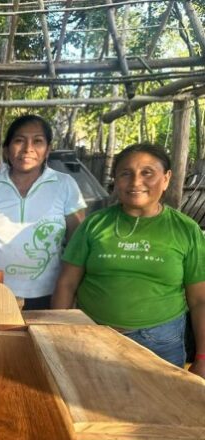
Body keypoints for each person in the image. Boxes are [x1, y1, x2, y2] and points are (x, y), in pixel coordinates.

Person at [52, 143, 205, 376]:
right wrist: (57, 338)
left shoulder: (186, 230)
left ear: (166, 179)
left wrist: (202, 357)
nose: (135, 182)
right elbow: (67, 284)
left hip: (159, 343)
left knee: (158, 399)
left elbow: (200, 300)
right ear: (115, 180)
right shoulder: (94, 224)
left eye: (147, 173)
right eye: (126, 173)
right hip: (93, 337)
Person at [0, 114, 86, 310]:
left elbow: (78, 245)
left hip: (48, 295)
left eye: (37, 141)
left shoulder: (65, 185)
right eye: (19, 140)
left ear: (48, 150)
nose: (28, 148)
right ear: (6, 149)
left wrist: (71, 295)